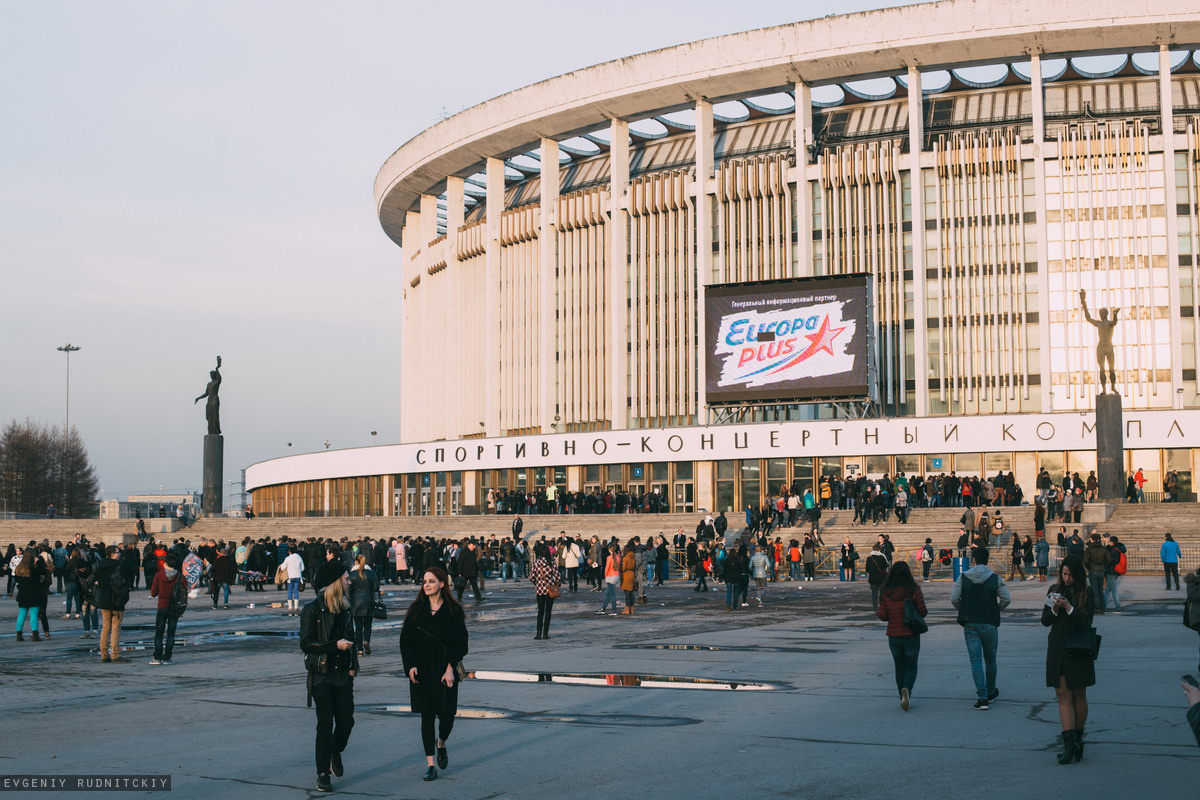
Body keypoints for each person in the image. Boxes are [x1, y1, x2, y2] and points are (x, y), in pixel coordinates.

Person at [400, 567, 469, 782]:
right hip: (423, 670)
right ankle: (430, 764)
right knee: (427, 717)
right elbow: (406, 641)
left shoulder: (453, 611)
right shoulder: (416, 610)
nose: (426, 585)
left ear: (441, 584)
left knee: (447, 715)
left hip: (445, 670)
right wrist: (410, 665)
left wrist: (450, 669)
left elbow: (461, 644)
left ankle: (441, 742)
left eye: (431, 581)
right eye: (424, 581)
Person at [301, 563, 358, 792]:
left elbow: (352, 639)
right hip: (321, 675)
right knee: (325, 725)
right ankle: (323, 773)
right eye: (346, 578)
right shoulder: (312, 609)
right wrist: (333, 646)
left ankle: (336, 749)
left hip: (343, 675)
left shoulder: (345, 608)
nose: (349, 581)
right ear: (335, 582)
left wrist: (354, 666)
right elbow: (305, 643)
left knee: (346, 721)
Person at [1042, 556, 1096, 764]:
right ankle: (1069, 744)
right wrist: (1055, 608)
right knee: (1062, 693)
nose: (1066, 579)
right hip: (1057, 647)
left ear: (1078, 575)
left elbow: (1085, 622)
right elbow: (1045, 621)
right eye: (1064, 574)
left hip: (1079, 648)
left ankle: (1079, 738)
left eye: (1070, 575)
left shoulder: (1087, 593)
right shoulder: (1053, 591)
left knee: (1078, 694)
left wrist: (1068, 607)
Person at [951, 549, 1011, 710]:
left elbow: (954, 598)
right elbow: (1007, 598)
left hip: (970, 622)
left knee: (975, 660)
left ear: (973, 560)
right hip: (990, 622)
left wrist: (963, 608)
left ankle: (982, 697)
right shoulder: (994, 577)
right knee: (990, 659)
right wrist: (997, 609)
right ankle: (991, 691)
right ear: (988, 560)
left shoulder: (964, 577)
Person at [876, 561, 927, 711]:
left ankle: (901, 695)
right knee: (911, 666)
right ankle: (907, 690)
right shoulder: (913, 590)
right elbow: (923, 612)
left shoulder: (886, 591)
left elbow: (883, 616)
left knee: (899, 667)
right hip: (911, 634)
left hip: (894, 635)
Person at [95, 545, 131, 663]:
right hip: (116, 600)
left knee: (105, 628)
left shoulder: (100, 566)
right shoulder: (118, 566)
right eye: (117, 552)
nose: (119, 553)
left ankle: (104, 654)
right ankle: (115, 653)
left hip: (104, 599)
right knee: (116, 627)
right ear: (111, 554)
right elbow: (122, 583)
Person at [149, 555, 185, 665]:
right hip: (175, 607)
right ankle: (167, 658)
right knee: (171, 633)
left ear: (165, 564)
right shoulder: (180, 577)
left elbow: (153, 593)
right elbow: (183, 593)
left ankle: (157, 657)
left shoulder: (159, 575)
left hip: (162, 605)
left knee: (159, 633)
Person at [348, 555, 380, 657]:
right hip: (368, 601)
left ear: (356, 562)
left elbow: (348, 589)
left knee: (358, 627)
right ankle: (366, 641)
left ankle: (359, 650)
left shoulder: (352, 574)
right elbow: (376, 588)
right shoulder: (371, 573)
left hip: (355, 603)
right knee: (367, 625)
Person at [14, 549, 47, 641]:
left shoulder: (19, 567)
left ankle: (19, 634)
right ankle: (35, 634)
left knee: (22, 614)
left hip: (23, 593)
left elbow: (17, 579)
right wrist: (38, 562)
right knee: (33, 614)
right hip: (34, 592)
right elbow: (43, 571)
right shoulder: (34, 567)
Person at [529, 543, 560, 639]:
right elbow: (558, 577)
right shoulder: (551, 563)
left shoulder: (536, 563)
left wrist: (537, 583)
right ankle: (545, 633)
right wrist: (556, 585)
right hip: (550, 589)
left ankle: (538, 633)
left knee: (540, 611)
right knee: (548, 611)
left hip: (539, 590)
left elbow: (531, 577)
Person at [283, 547, 306, 616]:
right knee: (296, 591)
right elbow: (302, 569)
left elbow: (282, 568)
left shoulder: (288, 558)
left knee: (290, 591)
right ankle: (296, 607)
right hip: (298, 576)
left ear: (290, 552)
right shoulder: (299, 558)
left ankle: (290, 607)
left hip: (290, 577)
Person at [865, 544, 888, 612]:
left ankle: (875, 608)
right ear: (879, 549)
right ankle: (882, 606)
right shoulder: (882, 557)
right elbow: (885, 567)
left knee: (874, 594)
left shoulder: (869, 558)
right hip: (881, 578)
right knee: (882, 593)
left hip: (872, 578)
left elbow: (867, 569)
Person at [599, 544, 620, 616]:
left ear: (609, 550)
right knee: (608, 593)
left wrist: (605, 576)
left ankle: (614, 610)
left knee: (612, 594)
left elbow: (607, 568)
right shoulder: (617, 557)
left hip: (610, 576)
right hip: (616, 576)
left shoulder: (609, 557)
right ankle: (603, 608)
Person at [724, 544, 746, 611]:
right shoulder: (738, 560)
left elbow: (724, 569)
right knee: (736, 592)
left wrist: (723, 577)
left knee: (729, 592)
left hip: (728, 577)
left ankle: (728, 605)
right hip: (736, 577)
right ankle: (735, 605)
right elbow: (740, 569)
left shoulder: (726, 560)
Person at [620, 543, 637, 615]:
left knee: (627, 594)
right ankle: (632, 609)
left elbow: (623, 568)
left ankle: (627, 609)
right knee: (631, 593)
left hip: (626, 575)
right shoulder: (633, 558)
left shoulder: (625, 558)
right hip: (632, 574)